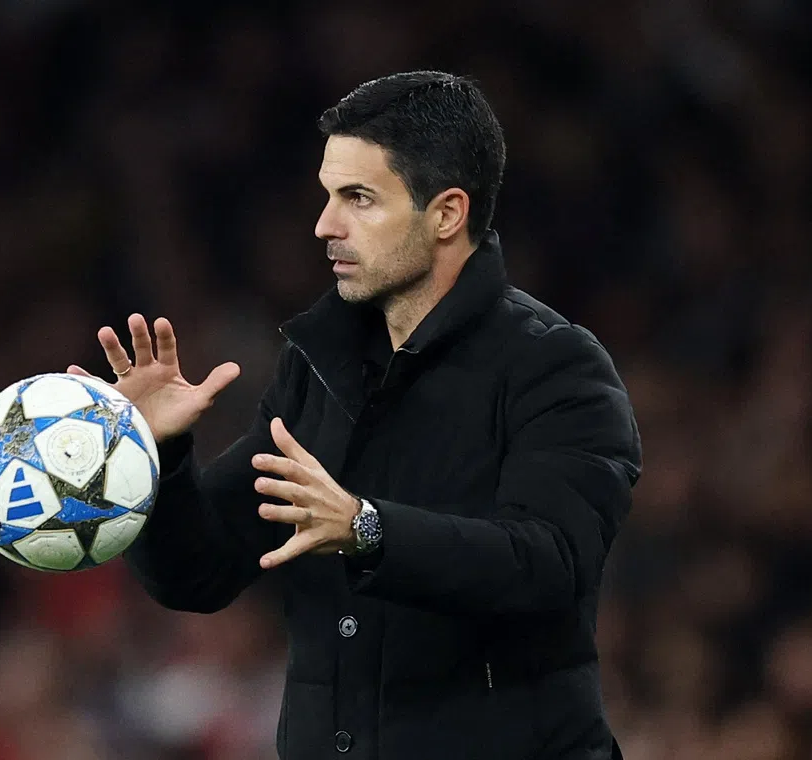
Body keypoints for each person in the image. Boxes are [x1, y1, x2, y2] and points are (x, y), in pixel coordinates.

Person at [70, 70, 642, 759]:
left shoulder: (557, 368)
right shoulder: (319, 368)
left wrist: (368, 530)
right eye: (327, 196)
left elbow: (549, 565)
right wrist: (157, 455)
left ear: (447, 214)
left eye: (359, 198)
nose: (325, 225)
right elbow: (198, 574)